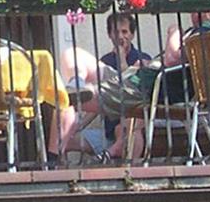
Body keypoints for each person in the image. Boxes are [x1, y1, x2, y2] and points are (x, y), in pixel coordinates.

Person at [59, 13, 153, 164]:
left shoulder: (142, 58)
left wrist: (121, 57)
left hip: (129, 132)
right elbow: (97, 100)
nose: (121, 36)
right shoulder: (103, 62)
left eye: (125, 32)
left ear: (132, 34)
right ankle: (60, 167)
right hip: (107, 133)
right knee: (65, 139)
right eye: (116, 32)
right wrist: (78, 126)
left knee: (129, 124)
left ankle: (116, 156)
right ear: (110, 34)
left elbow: (129, 88)